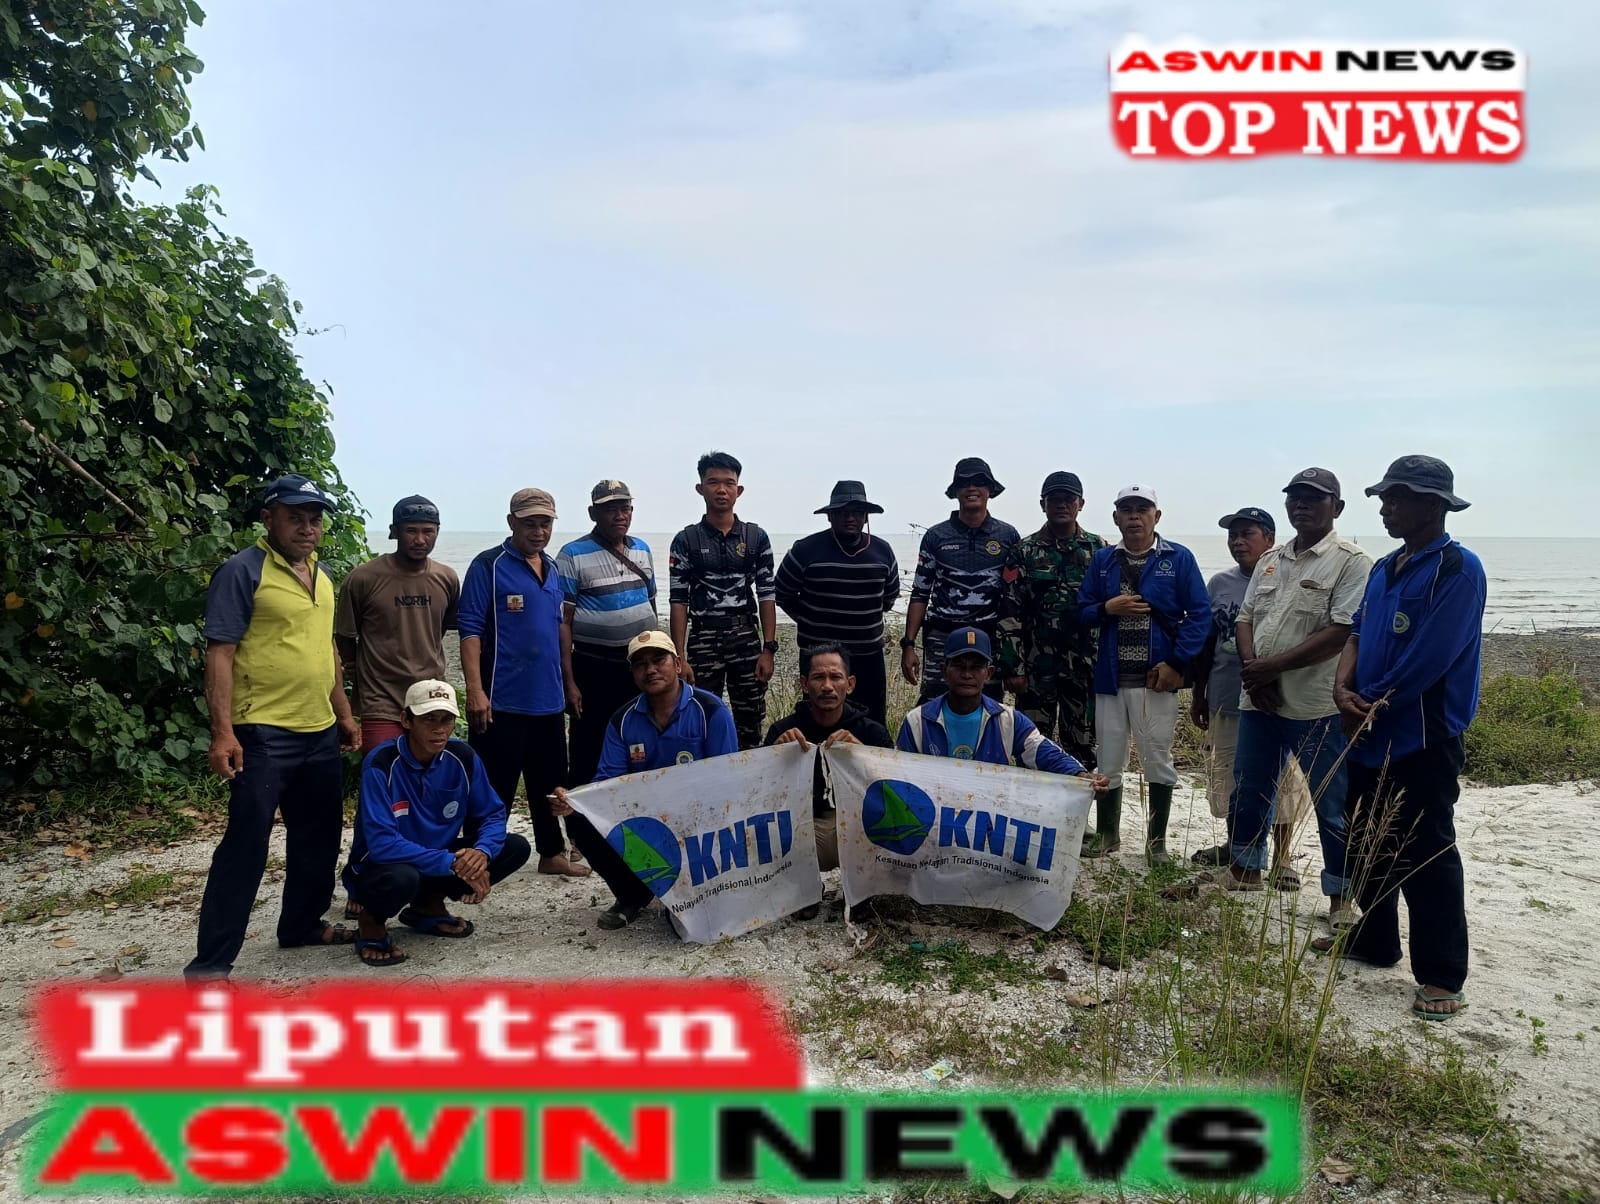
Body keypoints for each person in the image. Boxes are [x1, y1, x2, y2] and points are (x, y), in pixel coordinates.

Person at [1322, 456, 1485, 1022]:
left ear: (1433, 505)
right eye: (1384, 497)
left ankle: (1442, 975)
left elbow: (1431, 658)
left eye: (1398, 498)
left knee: (1427, 849)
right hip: (1367, 727)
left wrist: (1367, 702)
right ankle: (1374, 940)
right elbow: (1358, 632)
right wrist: (1342, 690)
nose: (1386, 508)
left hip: (1421, 735)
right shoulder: (1384, 567)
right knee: (1368, 837)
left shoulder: (1457, 569)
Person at [185, 474, 359, 980]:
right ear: (268, 519)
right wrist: (223, 731)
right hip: (262, 732)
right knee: (246, 845)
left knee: (319, 838)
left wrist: (343, 713)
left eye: (314, 519)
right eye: (294, 518)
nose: (307, 528)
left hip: (318, 730)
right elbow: (220, 653)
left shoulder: (322, 576)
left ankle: (301, 925)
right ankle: (210, 966)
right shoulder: (242, 571)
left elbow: (326, 650)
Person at [1218, 470, 1372, 930]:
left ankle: (1342, 897)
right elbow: (1245, 618)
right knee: (1250, 787)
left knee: (1332, 802)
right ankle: (1245, 870)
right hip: (1259, 700)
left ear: (1336, 507)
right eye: (1295, 497)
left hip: (1315, 705)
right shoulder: (1272, 560)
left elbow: (1342, 631)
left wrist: (1271, 668)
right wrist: (1254, 672)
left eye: (1314, 498)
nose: (1301, 505)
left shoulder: (1352, 562)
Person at [550, 631, 739, 931]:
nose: (650, 669)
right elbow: (606, 783)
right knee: (583, 822)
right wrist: (575, 801)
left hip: (699, 822)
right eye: (640, 664)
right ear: (633, 673)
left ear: (678, 664)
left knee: (686, 927)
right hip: (648, 822)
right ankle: (633, 894)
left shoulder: (711, 710)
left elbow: (728, 780)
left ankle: (702, 885)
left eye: (659, 660)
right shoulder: (622, 720)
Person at [343, 681, 532, 967]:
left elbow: (492, 814)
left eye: (447, 719)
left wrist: (480, 853)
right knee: (402, 878)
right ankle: (371, 920)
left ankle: (426, 905)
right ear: (406, 720)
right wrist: (453, 863)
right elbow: (382, 844)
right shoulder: (381, 764)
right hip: (383, 866)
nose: (439, 728)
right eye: (428, 719)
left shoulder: (463, 757)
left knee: (514, 847)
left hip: (438, 859)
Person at [459, 488, 588, 879]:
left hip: (547, 698)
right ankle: (479, 860)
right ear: (511, 522)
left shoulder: (552, 568)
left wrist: (568, 683)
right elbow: (469, 630)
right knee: (493, 786)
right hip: (502, 699)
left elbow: (558, 630)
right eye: (529, 523)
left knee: (550, 783)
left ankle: (551, 853)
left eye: (545, 523)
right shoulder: (489, 565)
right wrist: (475, 691)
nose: (538, 531)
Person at [1076, 486, 1209, 864]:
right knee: (1109, 759)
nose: (1134, 516)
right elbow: (1082, 612)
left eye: (1142, 509)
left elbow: (1200, 615)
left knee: (1158, 759)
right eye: (1126, 510)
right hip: (1110, 679)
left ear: (1156, 516)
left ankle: (1157, 844)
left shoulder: (1178, 558)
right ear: (1116, 518)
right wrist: (1108, 608)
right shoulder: (1103, 560)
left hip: (1157, 681)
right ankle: (1108, 835)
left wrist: (1177, 663)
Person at [1189, 507, 1315, 879]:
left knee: (1283, 780)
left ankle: (1282, 859)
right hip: (1226, 695)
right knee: (1232, 777)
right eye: (1233, 535)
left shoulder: (1288, 579)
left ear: (1270, 539)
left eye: (1247, 534)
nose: (1238, 542)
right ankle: (1239, 848)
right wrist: (1199, 694)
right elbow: (1208, 642)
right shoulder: (1219, 583)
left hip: (1277, 700)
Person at [764, 642, 895, 917]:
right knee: (773, 828)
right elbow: (759, 794)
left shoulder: (872, 733)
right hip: (807, 825)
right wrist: (774, 756)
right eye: (818, 677)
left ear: (850, 684)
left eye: (835, 677)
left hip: (854, 824)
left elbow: (893, 793)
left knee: (886, 821)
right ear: (804, 684)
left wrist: (862, 754)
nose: (827, 686)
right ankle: (805, 887)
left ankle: (860, 889)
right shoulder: (784, 731)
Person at [897, 628, 1109, 785]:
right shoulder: (918, 721)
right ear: (944, 671)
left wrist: (1081, 775)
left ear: (989, 673)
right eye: (959, 666)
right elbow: (897, 773)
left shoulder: (1008, 720)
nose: (967, 674)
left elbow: (1044, 753)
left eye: (976, 667)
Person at [996, 471, 1108, 768]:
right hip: (1036, 670)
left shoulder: (1099, 550)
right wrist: (1013, 667)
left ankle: (1076, 799)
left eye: (1068, 499)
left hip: (1084, 669)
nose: (1061, 504)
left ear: (1080, 503)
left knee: (1083, 750)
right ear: (1042, 504)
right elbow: (1009, 613)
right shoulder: (1024, 551)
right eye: (1054, 499)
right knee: (1031, 747)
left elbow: (1109, 609)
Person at [668, 451, 779, 750]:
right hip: (703, 639)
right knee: (700, 715)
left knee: (750, 719)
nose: (721, 490)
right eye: (713, 482)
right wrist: (680, 657)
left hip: (745, 637)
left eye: (729, 483)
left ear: (738, 490)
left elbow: (767, 594)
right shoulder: (686, 540)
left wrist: (768, 649)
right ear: (700, 488)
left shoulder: (755, 537)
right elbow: (678, 601)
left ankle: (750, 773)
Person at [334, 494, 460, 755]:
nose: (420, 539)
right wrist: (357, 669)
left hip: (431, 694)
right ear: (394, 531)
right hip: (381, 698)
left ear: (437, 532)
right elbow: (344, 635)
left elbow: (439, 630)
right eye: (411, 531)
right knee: (384, 767)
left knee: (429, 770)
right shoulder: (363, 579)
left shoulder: (446, 578)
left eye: (428, 531)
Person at [773, 481, 901, 727]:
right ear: (830, 516)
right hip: (818, 659)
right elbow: (782, 593)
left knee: (871, 726)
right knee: (817, 724)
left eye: (857, 512)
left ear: (866, 516)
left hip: (868, 658)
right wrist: (809, 620)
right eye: (842, 512)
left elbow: (887, 599)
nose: (850, 518)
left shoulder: (883, 552)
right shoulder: (805, 550)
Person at [558, 480, 659, 786]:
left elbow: (652, 602)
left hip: (639, 662)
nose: (619, 516)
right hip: (593, 665)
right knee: (590, 744)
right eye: (610, 509)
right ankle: (583, 812)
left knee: (640, 736)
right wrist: (569, 682)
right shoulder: (571, 554)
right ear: (593, 514)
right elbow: (563, 622)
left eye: (625, 508)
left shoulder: (642, 549)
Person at [901, 458, 1020, 704]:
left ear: (990, 490)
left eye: (979, 482)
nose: (971, 488)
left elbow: (1015, 598)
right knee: (934, 704)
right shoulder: (935, 536)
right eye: (964, 483)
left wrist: (1014, 654)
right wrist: (908, 645)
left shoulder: (1008, 536)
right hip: (942, 636)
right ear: (955, 491)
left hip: (989, 638)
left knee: (989, 707)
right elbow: (921, 592)